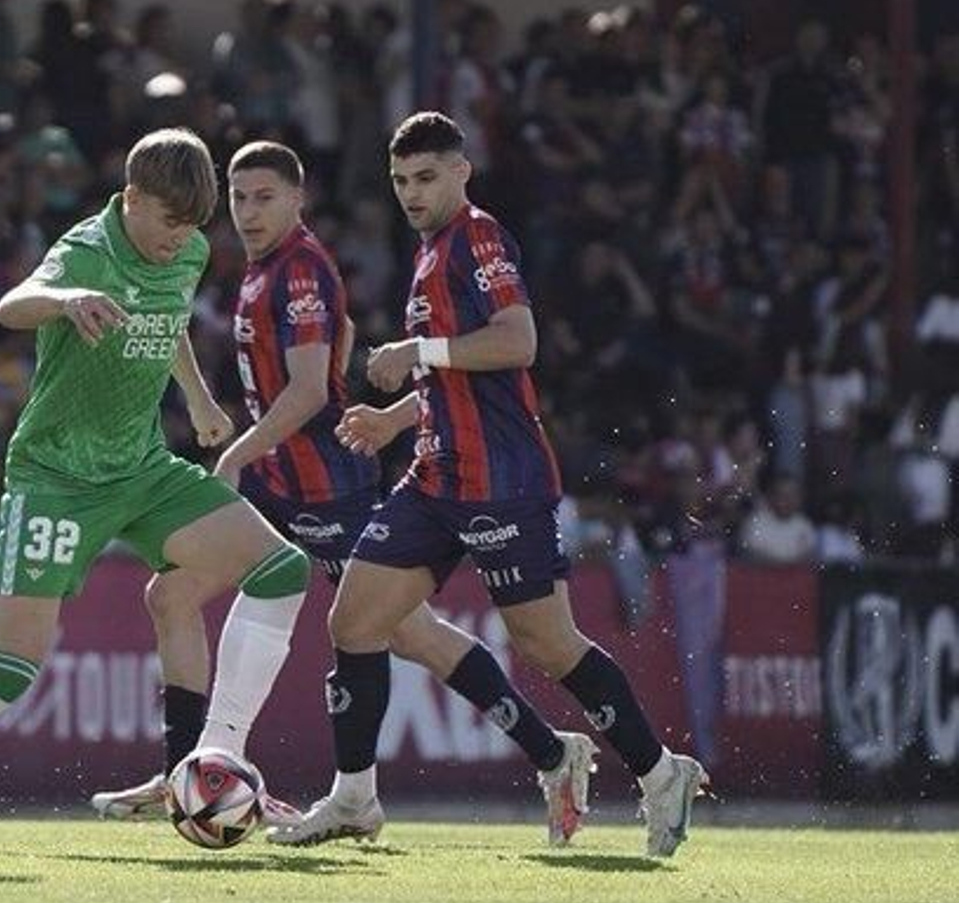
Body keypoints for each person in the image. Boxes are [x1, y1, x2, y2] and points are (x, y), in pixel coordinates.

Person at [89, 140, 598, 845]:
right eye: (238, 198)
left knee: (407, 633)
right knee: (170, 592)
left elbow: (303, 393)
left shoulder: (299, 271)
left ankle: (550, 752)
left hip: (328, 486)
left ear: (298, 200)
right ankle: (189, 770)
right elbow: (315, 341)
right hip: (280, 480)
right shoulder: (264, 269)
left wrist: (233, 452)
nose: (248, 211)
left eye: (264, 196)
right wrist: (209, 405)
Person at [0, 129, 312, 854]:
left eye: (191, 229)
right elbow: (13, 305)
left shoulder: (188, 249)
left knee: (282, 567)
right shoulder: (87, 249)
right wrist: (66, 298)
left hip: (141, 468)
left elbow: (167, 326)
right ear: (131, 200)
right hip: (57, 480)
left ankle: (214, 756)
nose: (178, 244)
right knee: (10, 665)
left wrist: (196, 399)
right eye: (167, 224)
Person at [269, 113, 707, 858]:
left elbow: (518, 341)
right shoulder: (429, 250)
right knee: (355, 622)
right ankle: (354, 797)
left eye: (427, 177)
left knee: (547, 644)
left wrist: (417, 350)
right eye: (401, 181)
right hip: (435, 475)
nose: (412, 193)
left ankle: (661, 772)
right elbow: (460, 376)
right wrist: (396, 418)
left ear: (461, 172)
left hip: (502, 480)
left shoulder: (477, 237)